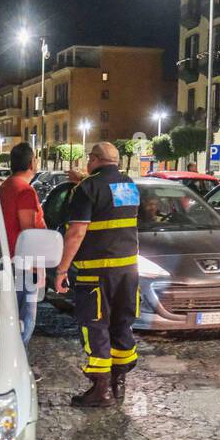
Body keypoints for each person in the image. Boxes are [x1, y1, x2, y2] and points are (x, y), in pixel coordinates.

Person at [54, 142, 140, 408]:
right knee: (120, 323)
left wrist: (62, 268)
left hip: (97, 272)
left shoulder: (87, 189)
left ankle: (100, 390)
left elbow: (77, 232)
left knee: (96, 325)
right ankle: (118, 383)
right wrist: (85, 181)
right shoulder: (128, 186)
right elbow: (108, 200)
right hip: (127, 270)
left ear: (93, 159)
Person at [0, 142, 46, 343]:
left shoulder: (6, 186)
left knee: (11, 317)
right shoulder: (25, 191)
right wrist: (39, 268)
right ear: (31, 162)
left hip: (8, 260)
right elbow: (29, 233)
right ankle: (20, 362)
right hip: (23, 265)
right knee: (26, 319)